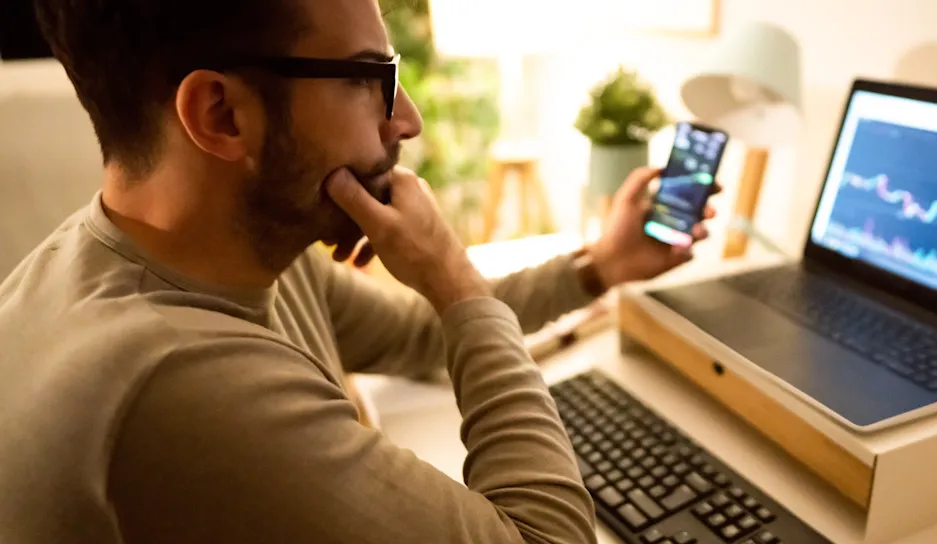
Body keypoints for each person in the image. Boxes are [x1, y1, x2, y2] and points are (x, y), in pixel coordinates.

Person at [0, 1, 717, 543]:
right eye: (375, 79)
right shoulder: (174, 381)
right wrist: (458, 282)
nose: (407, 121)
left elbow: (417, 337)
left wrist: (601, 266)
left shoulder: (206, 255)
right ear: (221, 115)